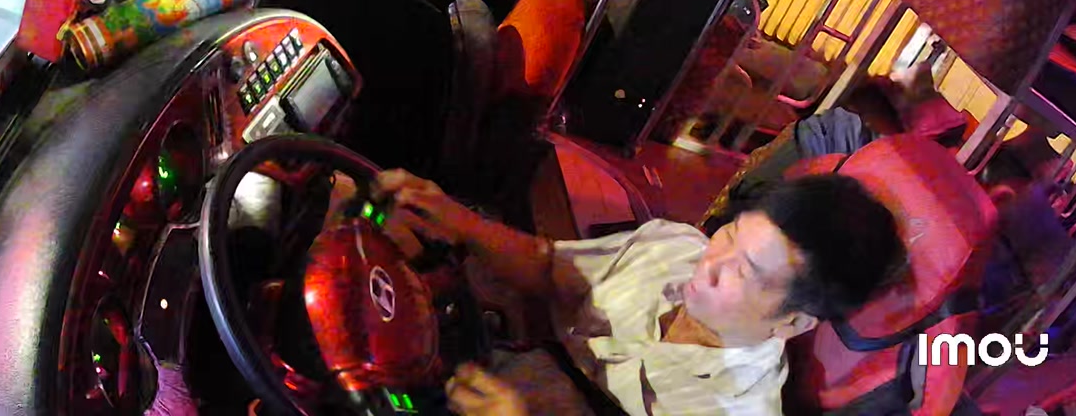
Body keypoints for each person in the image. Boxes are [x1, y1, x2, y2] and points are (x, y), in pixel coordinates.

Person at [375, 168, 904, 416]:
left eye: (744, 271)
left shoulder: (731, 410)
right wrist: (457, 220)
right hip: (495, 361)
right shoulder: (675, 245)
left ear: (793, 322)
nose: (711, 262)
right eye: (730, 234)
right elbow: (549, 267)